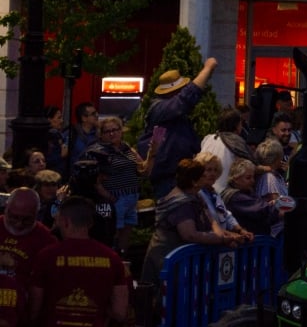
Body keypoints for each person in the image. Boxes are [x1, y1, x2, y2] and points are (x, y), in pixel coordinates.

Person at [28, 196, 129, 327]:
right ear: (90, 223)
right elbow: (120, 312)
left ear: (65, 221)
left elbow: (33, 309)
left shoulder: (47, 256)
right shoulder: (112, 259)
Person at [140, 159, 239, 286]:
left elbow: (210, 222)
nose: (206, 177)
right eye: (202, 176)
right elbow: (190, 235)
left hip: (181, 262)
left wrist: (228, 236)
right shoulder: (181, 203)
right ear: (194, 181)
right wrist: (221, 239)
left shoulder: (195, 196)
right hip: (167, 259)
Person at [139, 58, 219, 199]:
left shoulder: (172, 116)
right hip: (169, 179)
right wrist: (207, 69)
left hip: (180, 176)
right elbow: (187, 97)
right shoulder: (162, 109)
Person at [86, 116, 156, 254]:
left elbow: (143, 170)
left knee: (126, 234)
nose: (112, 133)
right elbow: (93, 179)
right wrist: (109, 197)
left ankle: (122, 258)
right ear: (101, 134)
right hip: (115, 198)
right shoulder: (98, 151)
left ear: (121, 131)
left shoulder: (126, 148)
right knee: (113, 234)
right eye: (107, 131)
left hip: (131, 197)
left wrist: (152, 153)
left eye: (115, 130)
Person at [0, 187, 58, 285]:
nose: (19, 224)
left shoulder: (46, 239)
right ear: (6, 208)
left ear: (37, 214)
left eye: (27, 219)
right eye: (14, 217)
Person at [194, 153, 253, 246]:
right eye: (208, 170)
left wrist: (240, 230)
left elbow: (226, 215)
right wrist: (230, 235)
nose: (213, 173)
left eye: (215, 170)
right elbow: (206, 224)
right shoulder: (196, 194)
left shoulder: (215, 194)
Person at [200, 107, 257, 194]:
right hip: (226, 193)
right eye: (240, 123)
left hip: (205, 190)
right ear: (237, 126)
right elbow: (250, 167)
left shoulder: (207, 139)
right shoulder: (236, 142)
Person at [222, 158, 284, 236]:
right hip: (251, 241)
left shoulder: (245, 193)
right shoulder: (236, 197)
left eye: (253, 177)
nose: (252, 181)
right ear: (236, 179)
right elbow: (263, 211)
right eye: (248, 178)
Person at [255, 140, 289, 238]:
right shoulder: (269, 178)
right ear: (277, 158)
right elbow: (278, 206)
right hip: (277, 231)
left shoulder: (276, 175)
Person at [68, 102, 101, 169]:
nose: (97, 115)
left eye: (96, 113)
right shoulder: (71, 133)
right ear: (84, 118)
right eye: (93, 114)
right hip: (75, 172)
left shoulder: (99, 133)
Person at [43, 106, 69, 176]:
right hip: (54, 173)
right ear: (49, 119)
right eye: (59, 118)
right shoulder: (53, 134)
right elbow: (48, 159)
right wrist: (62, 155)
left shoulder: (59, 134)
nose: (62, 121)